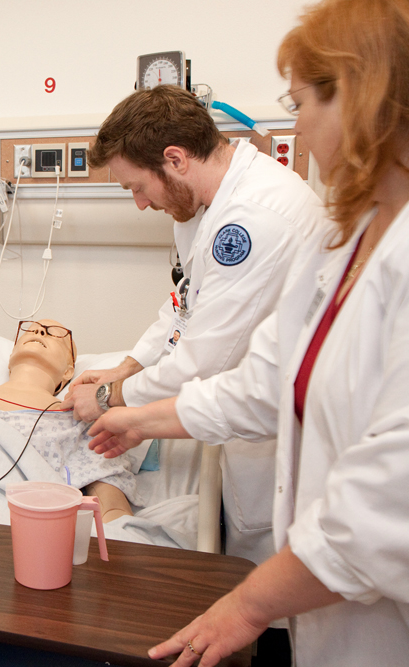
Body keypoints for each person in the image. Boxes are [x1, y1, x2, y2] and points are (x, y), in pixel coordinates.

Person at [86, 0, 409, 663]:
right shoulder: (349, 239)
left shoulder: (261, 218)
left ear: (361, 97)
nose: (297, 129)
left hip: (369, 598)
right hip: (317, 559)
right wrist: (136, 409)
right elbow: (257, 376)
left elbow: (387, 501)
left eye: (299, 105)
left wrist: (249, 602)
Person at [62, 84, 324, 565]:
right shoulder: (200, 207)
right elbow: (183, 307)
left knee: (275, 597)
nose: (139, 203)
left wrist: (105, 399)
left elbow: (202, 361)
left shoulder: (252, 221)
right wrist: (126, 368)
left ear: (176, 159)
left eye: (137, 187)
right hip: (241, 417)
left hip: (280, 438)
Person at [0, 319, 133, 521]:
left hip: (13, 526)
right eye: (32, 329)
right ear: (10, 357)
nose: (39, 332)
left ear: (68, 371)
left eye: (55, 335)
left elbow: (113, 511)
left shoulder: (77, 420)